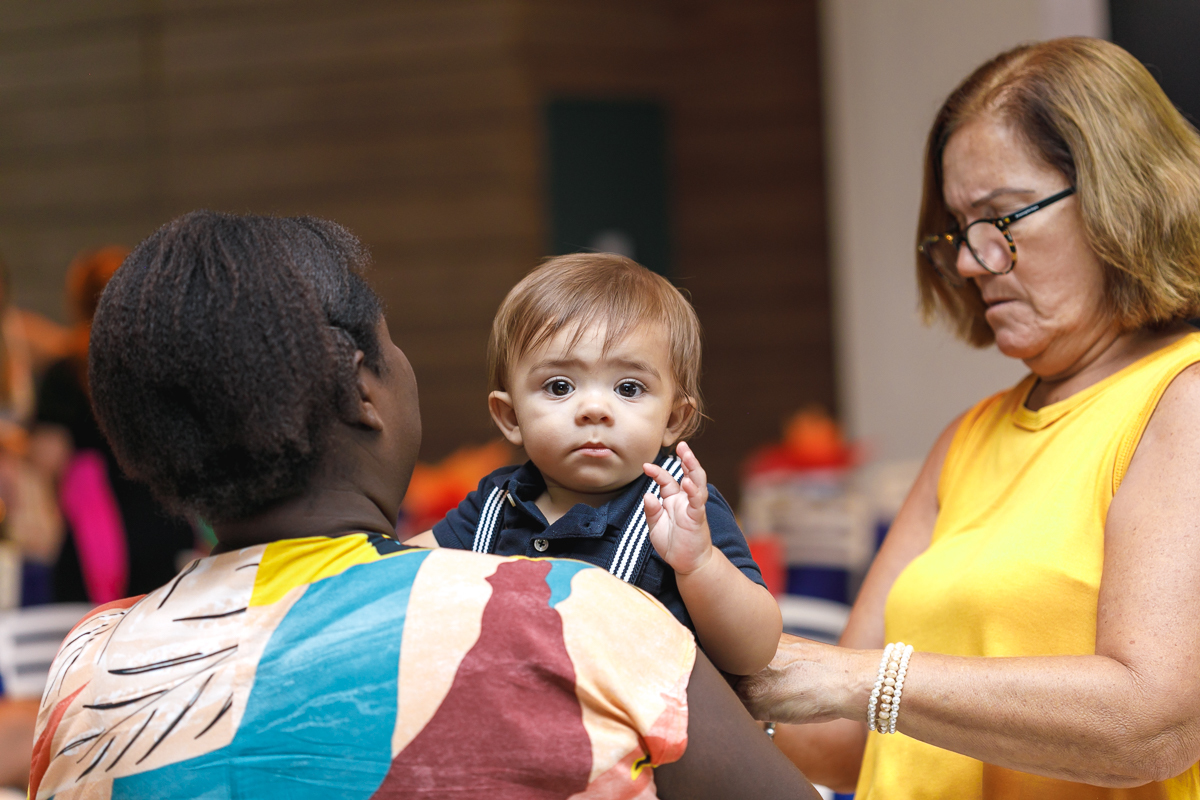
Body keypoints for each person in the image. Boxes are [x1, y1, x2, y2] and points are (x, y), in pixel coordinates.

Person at [29, 211, 819, 799]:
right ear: (363, 391)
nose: (592, 408)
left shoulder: (86, 663)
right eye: (392, 343)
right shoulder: (575, 617)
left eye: (628, 387)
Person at [737, 37, 1200, 797]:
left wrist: (862, 680)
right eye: (958, 227)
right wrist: (668, 640)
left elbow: (1152, 728)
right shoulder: (968, 438)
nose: (967, 262)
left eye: (1001, 217)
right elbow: (839, 744)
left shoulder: (1183, 401)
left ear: (1122, 197)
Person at [407, 254, 782, 676]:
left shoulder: (681, 509)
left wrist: (699, 565)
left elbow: (755, 653)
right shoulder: (495, 506)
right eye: (560, 386)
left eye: (628, 388)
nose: (594, 409)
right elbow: (394, 570)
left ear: (673, 419)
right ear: (511, 417)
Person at [32, 246, 196, 604]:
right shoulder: (162, 364)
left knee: (95, 627)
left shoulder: (67, 371)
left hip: (94, 534)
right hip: (161, 520)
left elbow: (48, 456)